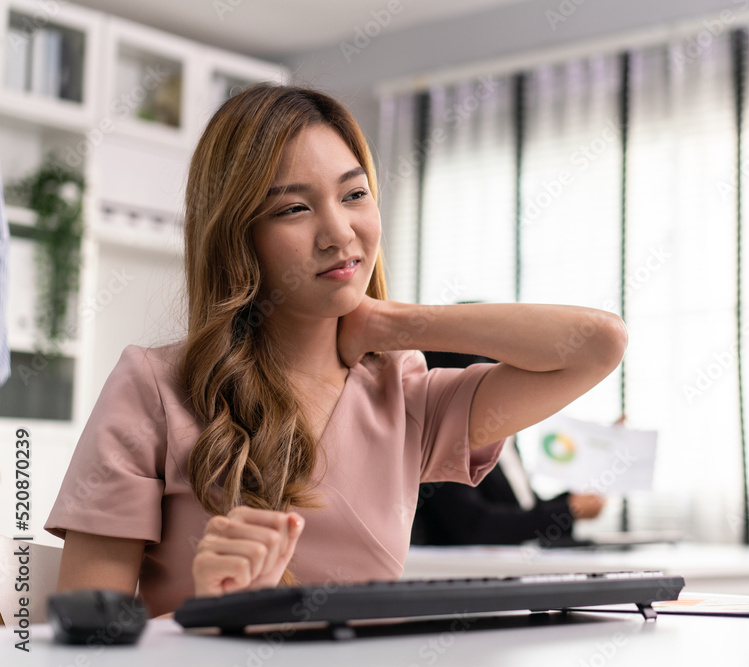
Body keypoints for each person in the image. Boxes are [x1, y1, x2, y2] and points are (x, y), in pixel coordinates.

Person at [44, 83, 627, 617]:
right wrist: (202, 613)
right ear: (236, 234)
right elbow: (84, 635)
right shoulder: (153, 386)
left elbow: (597, 345)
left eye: (354, 194)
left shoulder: (405, 395)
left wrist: (390, 321)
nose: (339, 233)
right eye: (294, 208)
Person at [412, 351, 606, 546]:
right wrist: (566, 510)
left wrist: (572, 503)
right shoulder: (446, 441)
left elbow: (522, 507)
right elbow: (476, 526)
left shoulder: (507, 440)